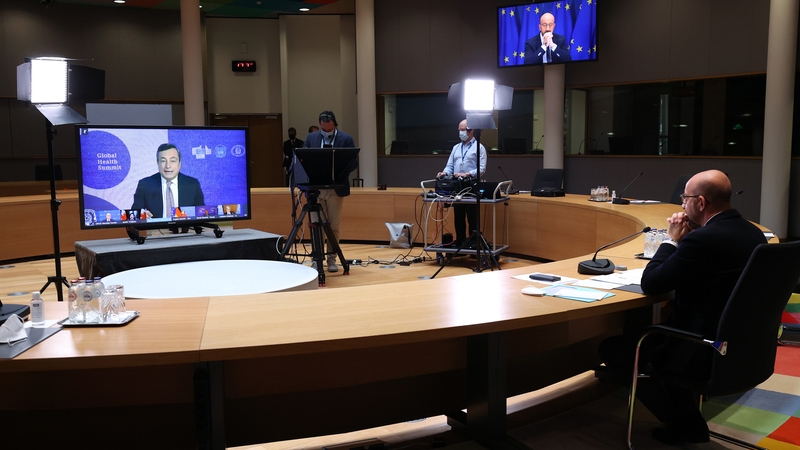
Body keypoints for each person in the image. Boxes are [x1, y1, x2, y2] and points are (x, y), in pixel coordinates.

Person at [598, 170, 767, 445]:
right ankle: (688, 418)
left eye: (685, 199)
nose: (681, 205)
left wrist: (672, 239)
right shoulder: (754, 234)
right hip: (743, 349)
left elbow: (651, 283)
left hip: (698, 349)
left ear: (700, 202)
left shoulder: (702, 240)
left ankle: (685, 423)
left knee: (614, 349)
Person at [301, 111, 357, 273]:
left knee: (333, 226)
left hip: (335, 189)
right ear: (320, 125)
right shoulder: (311, 138)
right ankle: (317, 259)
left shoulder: (346, 139)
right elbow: (302, 158)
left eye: (329, 130)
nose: (326, 132)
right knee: (316, 226)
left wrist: (340, 171)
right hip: (316, 189)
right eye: (323, 129)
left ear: (335, 125)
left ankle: (332, 259)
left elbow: (354, 162)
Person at [437, 119, 487, 247]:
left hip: (471, 185)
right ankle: (460, 241)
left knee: (472, 216)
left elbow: (481, 169)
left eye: (463, 130)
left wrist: (467, 174)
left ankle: (473, 243)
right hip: (457, 186)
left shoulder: (479, 147)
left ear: (471, 130)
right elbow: (450, 166)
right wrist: (444, 173)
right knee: (458, 215)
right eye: (459, 130)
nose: (460, 132)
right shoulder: (456, 148)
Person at [131, 143, 204, 219]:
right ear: (158, 163)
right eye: (163, 161)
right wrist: (141, 215)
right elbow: (134, 215)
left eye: (173, 161)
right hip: (156, 226)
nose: (168, 166)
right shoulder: (145, 185)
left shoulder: (192, 184)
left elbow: (202, 215)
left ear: (179, 163)